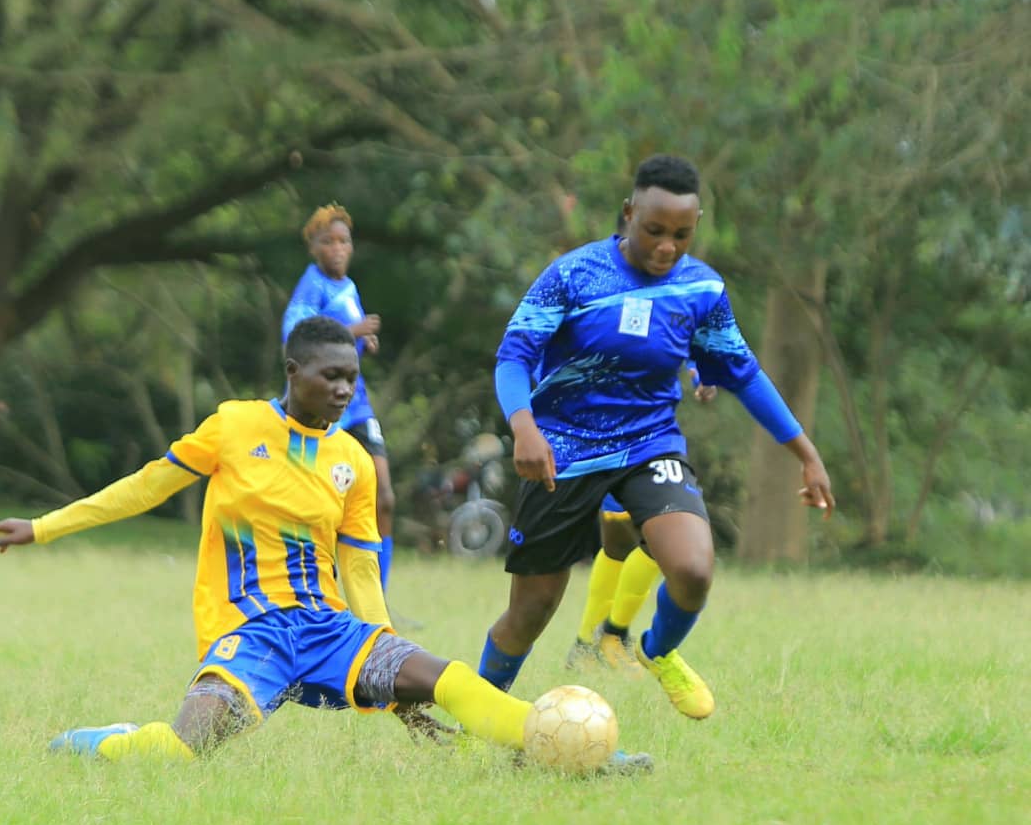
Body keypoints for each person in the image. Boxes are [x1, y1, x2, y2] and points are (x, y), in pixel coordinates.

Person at [0, 317, 650, 771]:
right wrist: (42, 527)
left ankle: (581, 750)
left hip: (329, 629)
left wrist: (393, 676)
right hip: (251, 631)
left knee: (442, 677)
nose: (341, 388)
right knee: (185, 752)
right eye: (328, 375)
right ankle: (93, 743)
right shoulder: (234, 426)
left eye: (350, 379)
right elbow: (144, 487)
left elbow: (361, 569)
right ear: (292, 369)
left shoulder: (353, 461)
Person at [478, 154, 835, 720]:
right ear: (627, 214)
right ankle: (481, 714)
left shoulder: (701, 289)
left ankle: (656, 650)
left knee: (694, 569)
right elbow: (514, 356)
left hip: (649, 445)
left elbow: (742, 372)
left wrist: (806, 454)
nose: (667, 247)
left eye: (682, 235)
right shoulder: (574, 275)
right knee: (531, 611)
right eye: (654, 231)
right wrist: (523, 426)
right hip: (561, 452)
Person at [567, 362, 717, 676]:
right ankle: (594, 641)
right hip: (609, 439)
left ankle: (608, 635)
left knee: (650, 541)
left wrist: (698, 366)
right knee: (621, 540)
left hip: (653, 442)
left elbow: (683, 322)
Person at [282, 204, 396, 593]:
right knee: (315, 500)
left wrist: (365, 341)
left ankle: (376, 595)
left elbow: (347, 343)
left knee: (384, 496)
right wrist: (353, 330)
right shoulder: (311, 285)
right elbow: (295, 337)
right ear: (313, 247)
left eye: (343, 240)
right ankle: (312, 587)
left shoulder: (348, 287)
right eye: (327, 241)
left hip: (358, 401)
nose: (337, 248)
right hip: (324, 405)